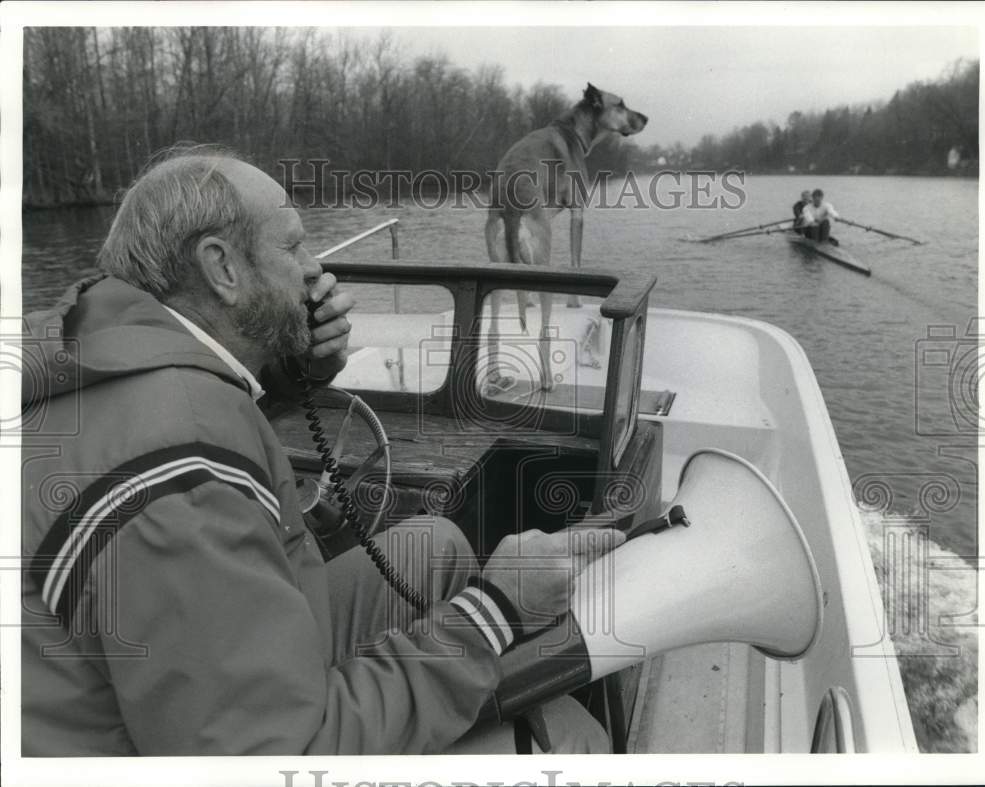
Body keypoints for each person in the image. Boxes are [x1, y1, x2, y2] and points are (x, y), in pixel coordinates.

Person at [19, 146, 620, 756]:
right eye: (293, 247)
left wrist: (288, 376)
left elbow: (194, 417)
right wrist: (496, 611)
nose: (317, 271)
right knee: (574, 743)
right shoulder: (181, 478)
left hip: (207, 668)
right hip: (217, 744)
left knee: (432, 545)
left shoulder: (112, 343)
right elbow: (277, 756)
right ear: (222, 268)